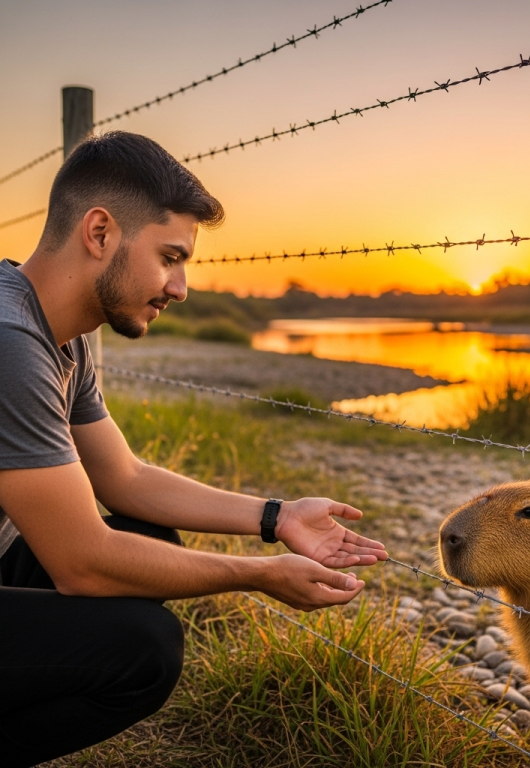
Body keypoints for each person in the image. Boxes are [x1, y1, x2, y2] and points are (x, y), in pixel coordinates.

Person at [0, 131, 388, 767]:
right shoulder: (11, 340)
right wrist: (260, 576)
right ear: (99, 234)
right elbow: (82, 563)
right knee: (144, 647)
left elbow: (124, 478)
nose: (180, 287)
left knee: (146, 539)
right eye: (170, 257)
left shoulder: (60, 336)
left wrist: (277, 516)